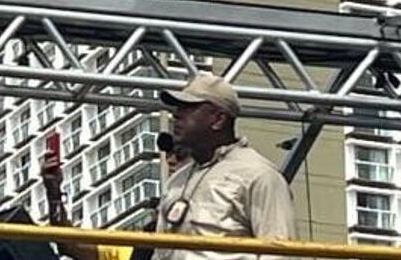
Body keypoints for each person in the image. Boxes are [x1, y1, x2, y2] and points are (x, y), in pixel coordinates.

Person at [156, 73, 294, 260]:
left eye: (189, 108)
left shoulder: (258, 175)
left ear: (218, 119)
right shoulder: (176, 181)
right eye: (178, 107)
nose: (177, 114)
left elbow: (280, 253)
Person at [43, 132, 188, 260]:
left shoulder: (204, 223)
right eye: (169, 153)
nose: (171, 160)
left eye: (181, 154)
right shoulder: (140, 244)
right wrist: (53, 193)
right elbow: (70, 245)